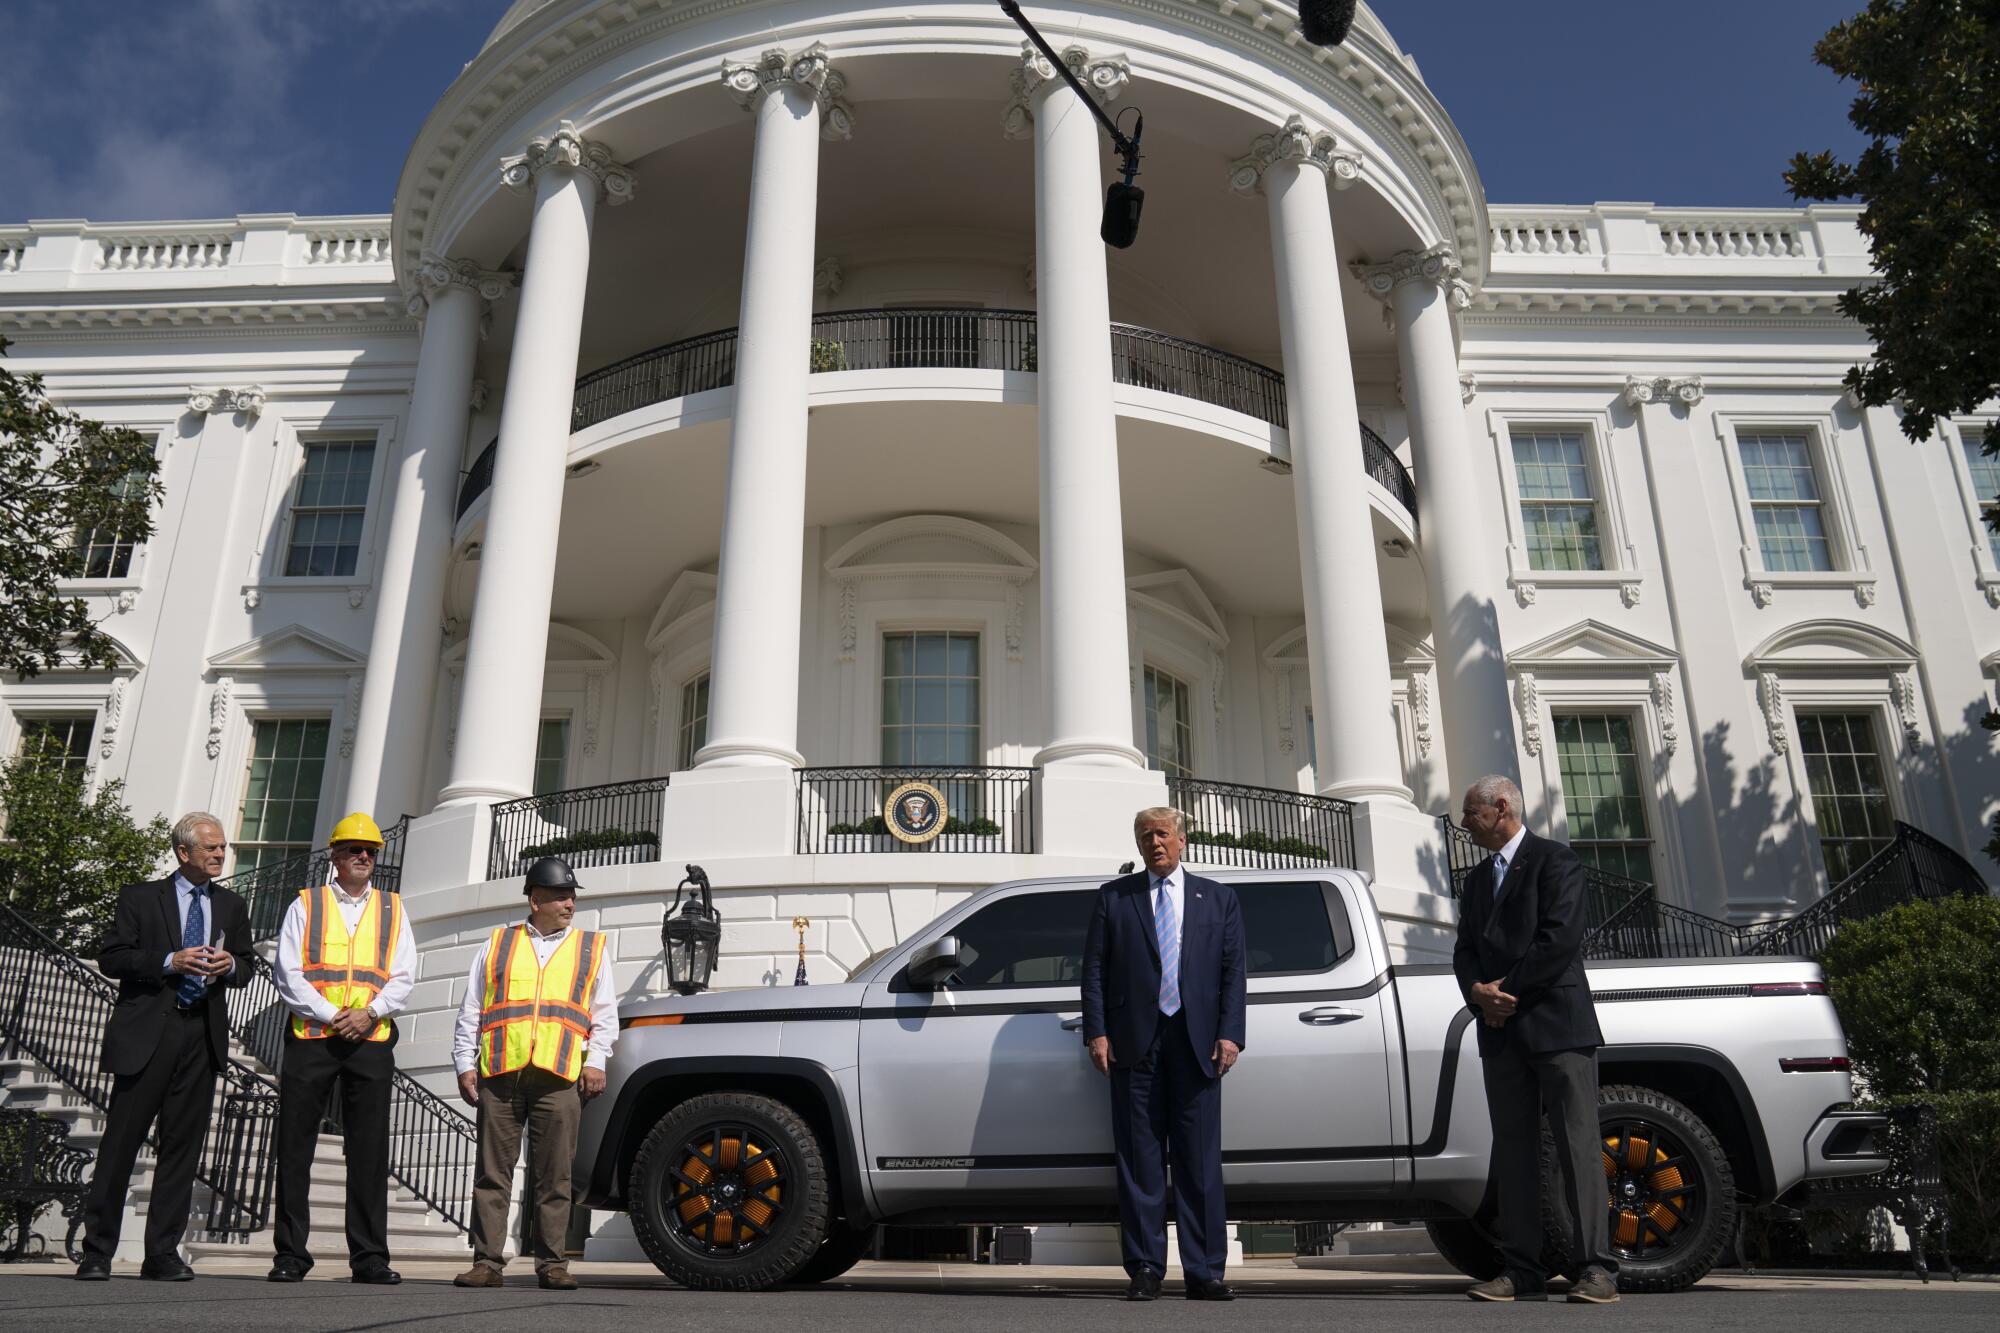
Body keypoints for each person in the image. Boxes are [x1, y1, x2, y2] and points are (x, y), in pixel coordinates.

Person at [1451, 775, 1619, 1304]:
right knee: (1514, 1153)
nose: (1464, 825)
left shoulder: (1556, 861)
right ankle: (1522, 1271)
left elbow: (1560, 937)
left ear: (1501, 809)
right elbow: (1464, 950)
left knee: (1578, 1148)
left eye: (1470, 814)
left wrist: (1506, 994)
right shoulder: (1476, 882)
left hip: (1556, 1025)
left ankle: (1596, 1270)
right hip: (1500, 1033)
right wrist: (1478, 993)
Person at [74, 813, 253, 1281]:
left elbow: (248, 966)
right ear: (183, 852)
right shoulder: (140, 897)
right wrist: (169, 960)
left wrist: (229, 963)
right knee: (120, 1145)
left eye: (222, 848)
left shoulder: (232, 905)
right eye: (211, 848)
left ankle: (161, 1254)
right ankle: (97, 1251)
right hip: (149, 1033)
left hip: (201, 1035)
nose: (220, 854)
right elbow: (112, 957)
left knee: (182, 1149)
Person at [1080, 806, 1246, 1302]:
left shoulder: (1219, 899)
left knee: (1199, 1162)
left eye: (1162, 834)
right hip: (1134, 1043)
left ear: (1182, 840)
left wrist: (1231, 1034)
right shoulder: (1115, 898)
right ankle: (1146, 1268)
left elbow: (1233, 973)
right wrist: (1098, 1033)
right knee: (1139, 1160)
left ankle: (1205, 1271)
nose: (1154, 843)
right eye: (1145, 836)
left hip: (1198, 1044)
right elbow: (1094, 971)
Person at [451, 856, 616, 1291]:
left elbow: (604, 1014)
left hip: (559, 1075)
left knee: (555, 1176)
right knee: (492, 1175)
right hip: (501, 1073)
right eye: (562, 896)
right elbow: (473, 1008)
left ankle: (553, 1265)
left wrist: (596, 1060)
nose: (570, 904)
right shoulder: (497, 944)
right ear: (535, 898)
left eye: (572, 896)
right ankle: (487, 1262)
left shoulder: (590, 947)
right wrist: (464, 1063)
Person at [267, 812, 416, 1285]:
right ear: (334, 854)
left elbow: (405, 974)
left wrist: (369, 1013)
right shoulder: (305, 904)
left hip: (369, 1040)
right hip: (314, 1037)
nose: (364, 857)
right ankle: (291, 1254)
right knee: (294, 1147)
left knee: (369, 1151)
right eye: (354, 849)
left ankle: (370, 1257)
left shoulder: (393, 908)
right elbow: (288, 972)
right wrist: (334, 1015)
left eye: (370, 851)